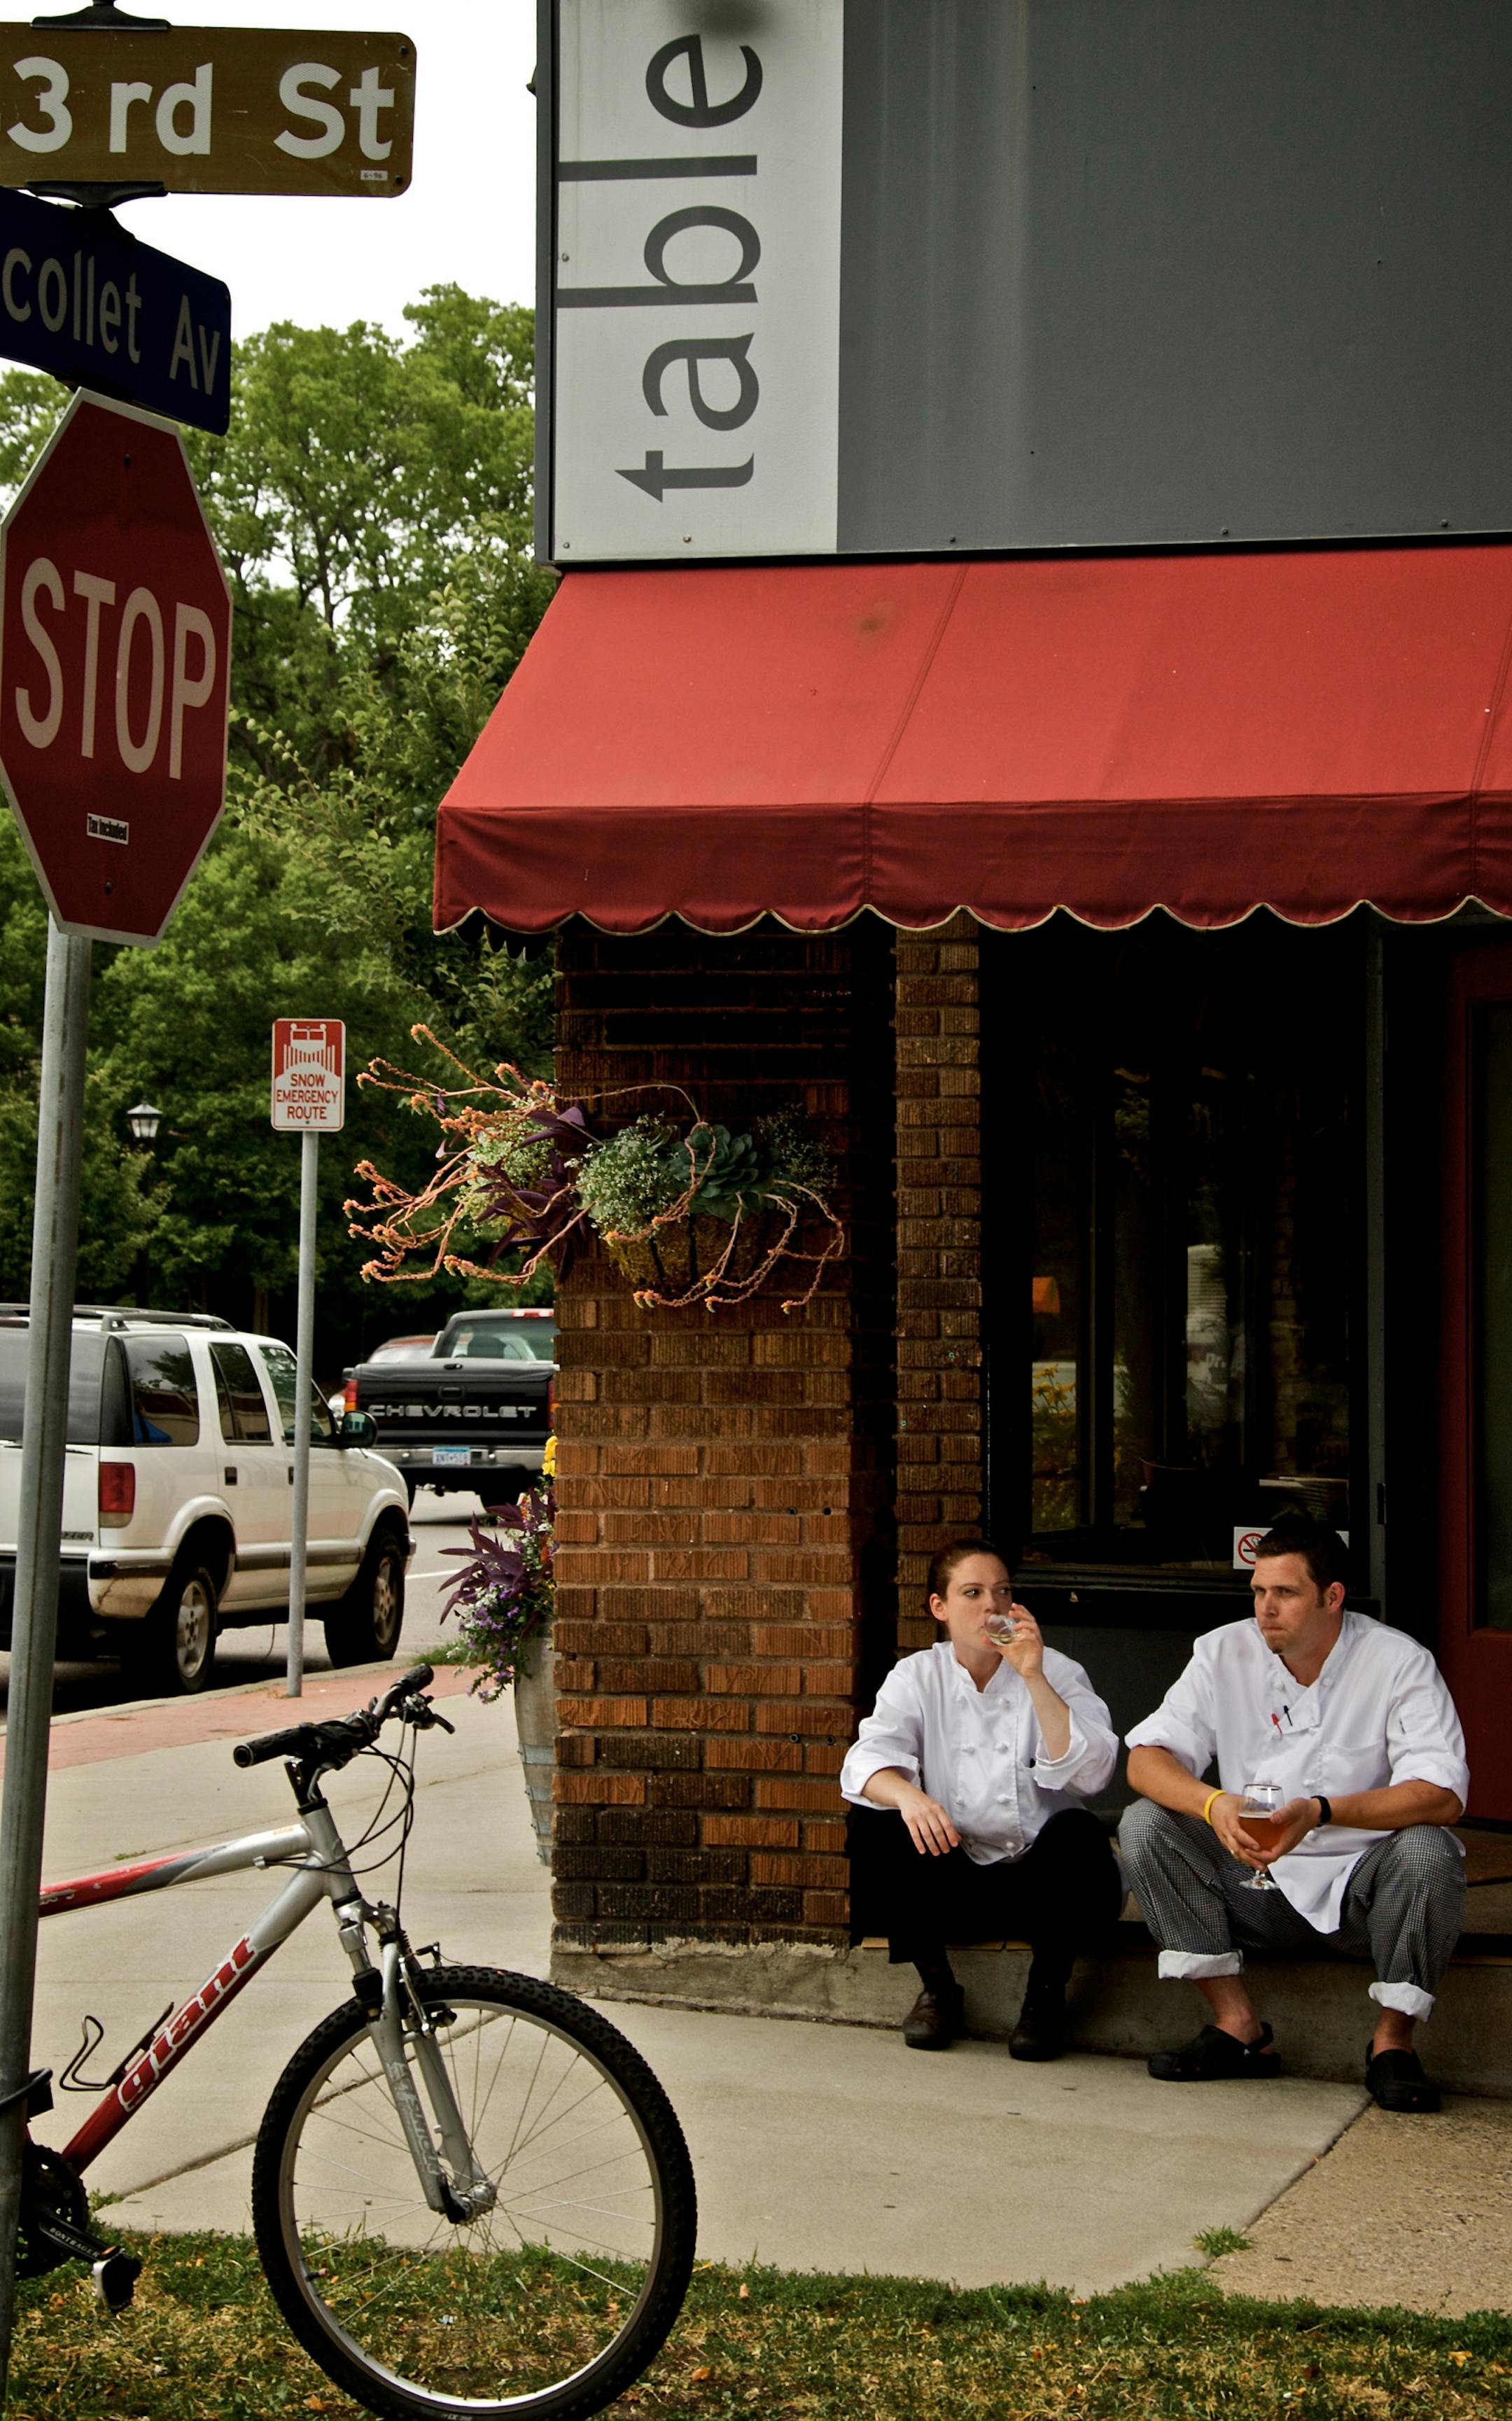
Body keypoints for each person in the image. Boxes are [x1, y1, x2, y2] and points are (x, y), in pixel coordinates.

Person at [1120, 1514, 1468, 2112]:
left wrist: (1322, 1811)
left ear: (1332, 1597)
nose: (1265, 1609)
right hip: (1254, 1880)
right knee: (1144, 1823)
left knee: (1428, 1850)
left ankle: (1393, 2045)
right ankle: (1237, 2028)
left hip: (1363, 1892)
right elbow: (1144, 1760)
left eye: (1285, 1593)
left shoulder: (1397, 1661)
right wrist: (1213, 1801)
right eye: (1258, 1591)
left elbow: (1442, 1794)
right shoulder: (1222, 1651)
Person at [842, 1539, 1122, 2058]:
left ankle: (1044, 1997)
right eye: (972, 1593)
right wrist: (910, 1797)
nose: (992, 1606)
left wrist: (1033, 1676)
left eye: (1002, 1592)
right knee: (876, 1818)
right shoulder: (917, 1676)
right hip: (958, 1879)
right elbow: (864, 1763)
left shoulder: (1056, 1670)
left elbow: (1095, 1774)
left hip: (1045, 1887)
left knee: (1079, 1833)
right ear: (940, 1608)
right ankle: (938, 1989)